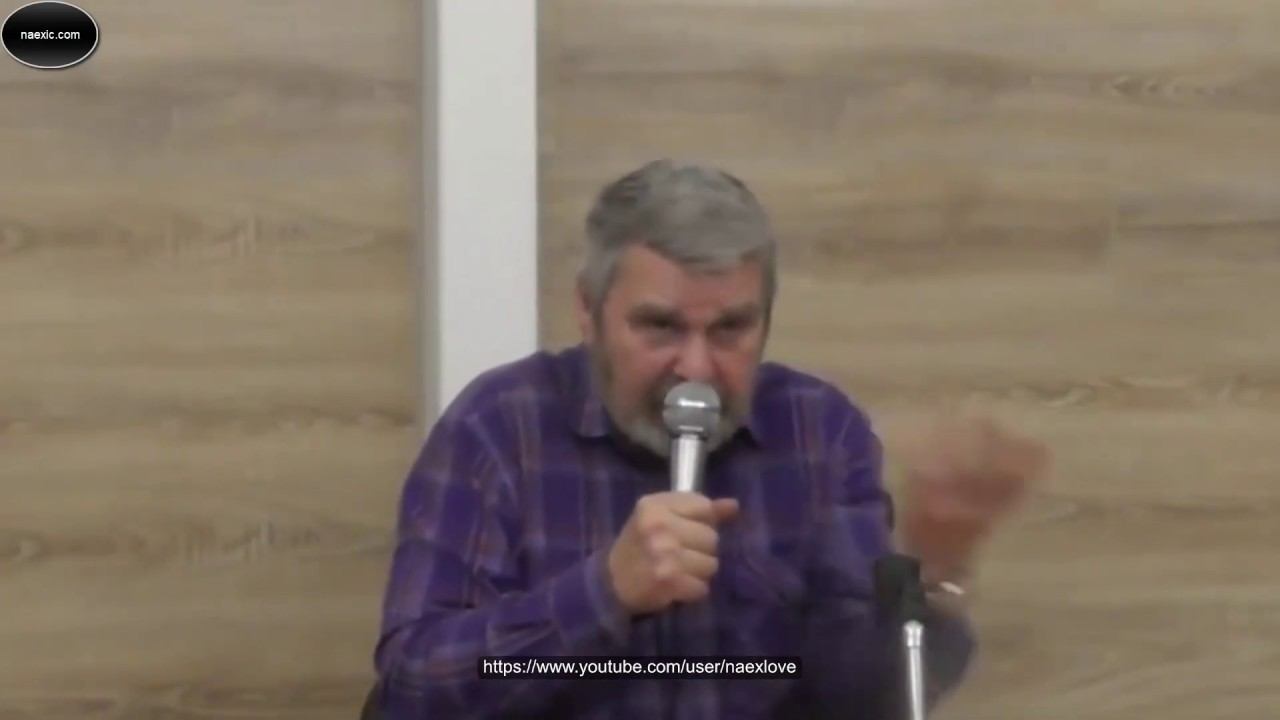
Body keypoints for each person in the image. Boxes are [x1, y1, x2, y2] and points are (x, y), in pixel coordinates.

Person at [370, 159, 1050, 719]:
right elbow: (414, 688)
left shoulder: (820, 431)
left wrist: (928, 575)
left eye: (730, 330)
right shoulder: (499, 425)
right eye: (660, 327)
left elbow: (859, 700)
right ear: (587, 310)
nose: (696, 370)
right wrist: (604, 592)